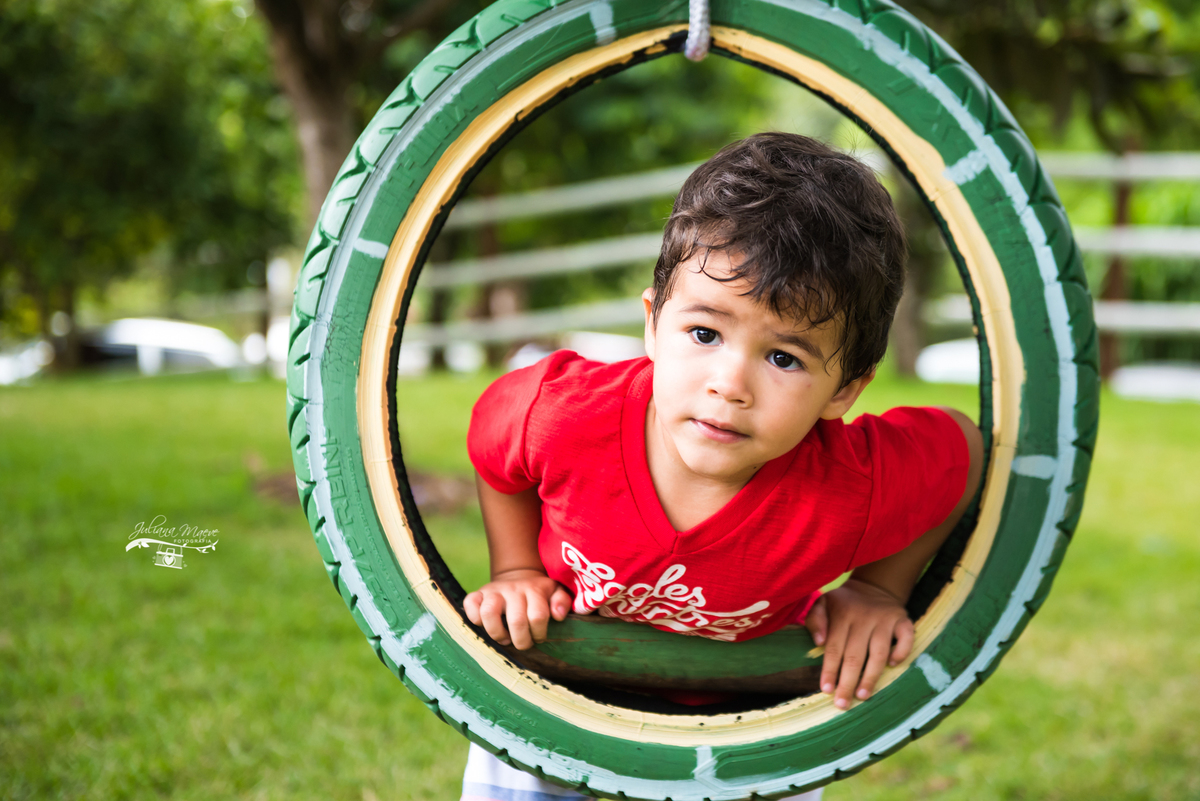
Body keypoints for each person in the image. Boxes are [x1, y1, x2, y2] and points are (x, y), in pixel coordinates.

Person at [459, 132, 985, 801]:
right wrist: (515, 569)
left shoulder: (849, 485)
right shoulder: (564, 416)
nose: (729, 383)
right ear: (653, 325)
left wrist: (879, 590)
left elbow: (963, 452)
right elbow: (493, 446)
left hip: (745, 720)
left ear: (845, 388)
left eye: (784, 357)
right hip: (563, 692)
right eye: (704, 334)